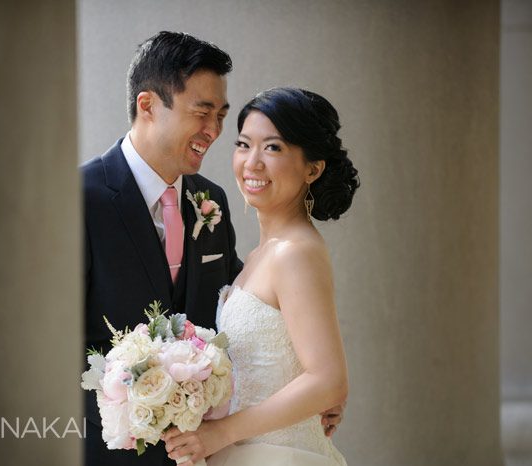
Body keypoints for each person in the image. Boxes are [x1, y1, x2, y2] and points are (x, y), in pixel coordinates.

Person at [82, 32, 343, 466]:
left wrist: (313, 383)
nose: (214, 131)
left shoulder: (210, 201)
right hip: (109, 451)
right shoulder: (78, 199)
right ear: (147, 106)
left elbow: (249, 313)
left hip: (212, 451)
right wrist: (134, 414)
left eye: (221, 116)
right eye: (202, 113)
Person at [162, 87, 359, 466]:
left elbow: (329, 379)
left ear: (313, 169)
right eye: (243, 144)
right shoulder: (258, 256)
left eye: (273, 148)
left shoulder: (296, 252)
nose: (252, 163)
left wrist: (222, 432)